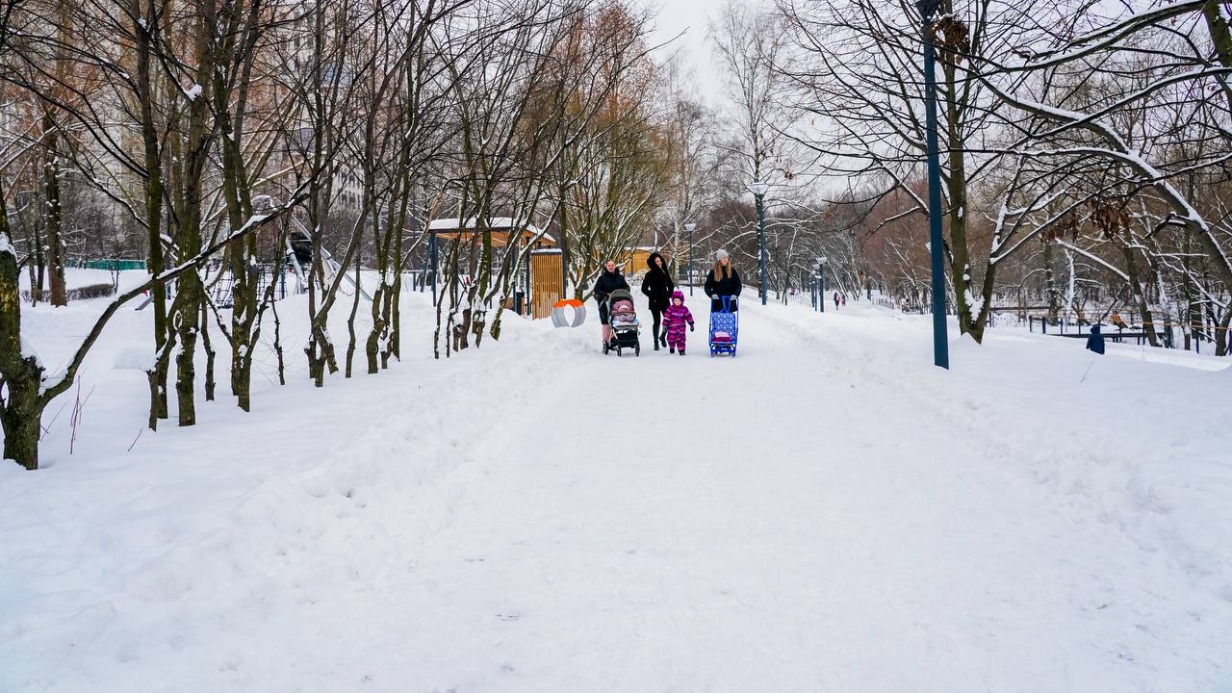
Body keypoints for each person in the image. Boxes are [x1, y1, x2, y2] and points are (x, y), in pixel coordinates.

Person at [641, 252, 674, 350]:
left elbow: (670, 285)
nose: (659, 263)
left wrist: (669, 294)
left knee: (668, 321)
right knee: (657, 321)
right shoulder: (649, 274)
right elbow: (644, 289)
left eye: (660, 261)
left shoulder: (665, 272)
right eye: (656, 261)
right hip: (654, 302)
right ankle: (655, 342)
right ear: (653, 263)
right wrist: (652, 295)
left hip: (665, 300)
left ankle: (662, 336)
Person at [593, 259, 629, 344]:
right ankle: (606, 341)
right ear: (606, 266)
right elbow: (596, 290)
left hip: (618, 302)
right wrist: (605, 294)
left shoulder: (620, 278)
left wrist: (622, 292)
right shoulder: (602, 278)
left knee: (616, 320)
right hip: (604, 302)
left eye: (612, 265)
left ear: (615, 266)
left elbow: (627, 287)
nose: (611, 267)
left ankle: (614, 339)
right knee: (606, 322)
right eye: (609, 265)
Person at [662, 290, 695, 355]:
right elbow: (666, 317)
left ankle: (681, 350)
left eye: (678, 301)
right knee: (671, 339)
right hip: (672, 328)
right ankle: (671, 347)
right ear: (673, 301)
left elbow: (688, 316)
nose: (677, 302)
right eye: (675, 300)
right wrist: (665, 325)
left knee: (681, 339)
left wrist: (691, 324)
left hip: (681, 328)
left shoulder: (684, 309)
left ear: (682, 301)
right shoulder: (670, 309)